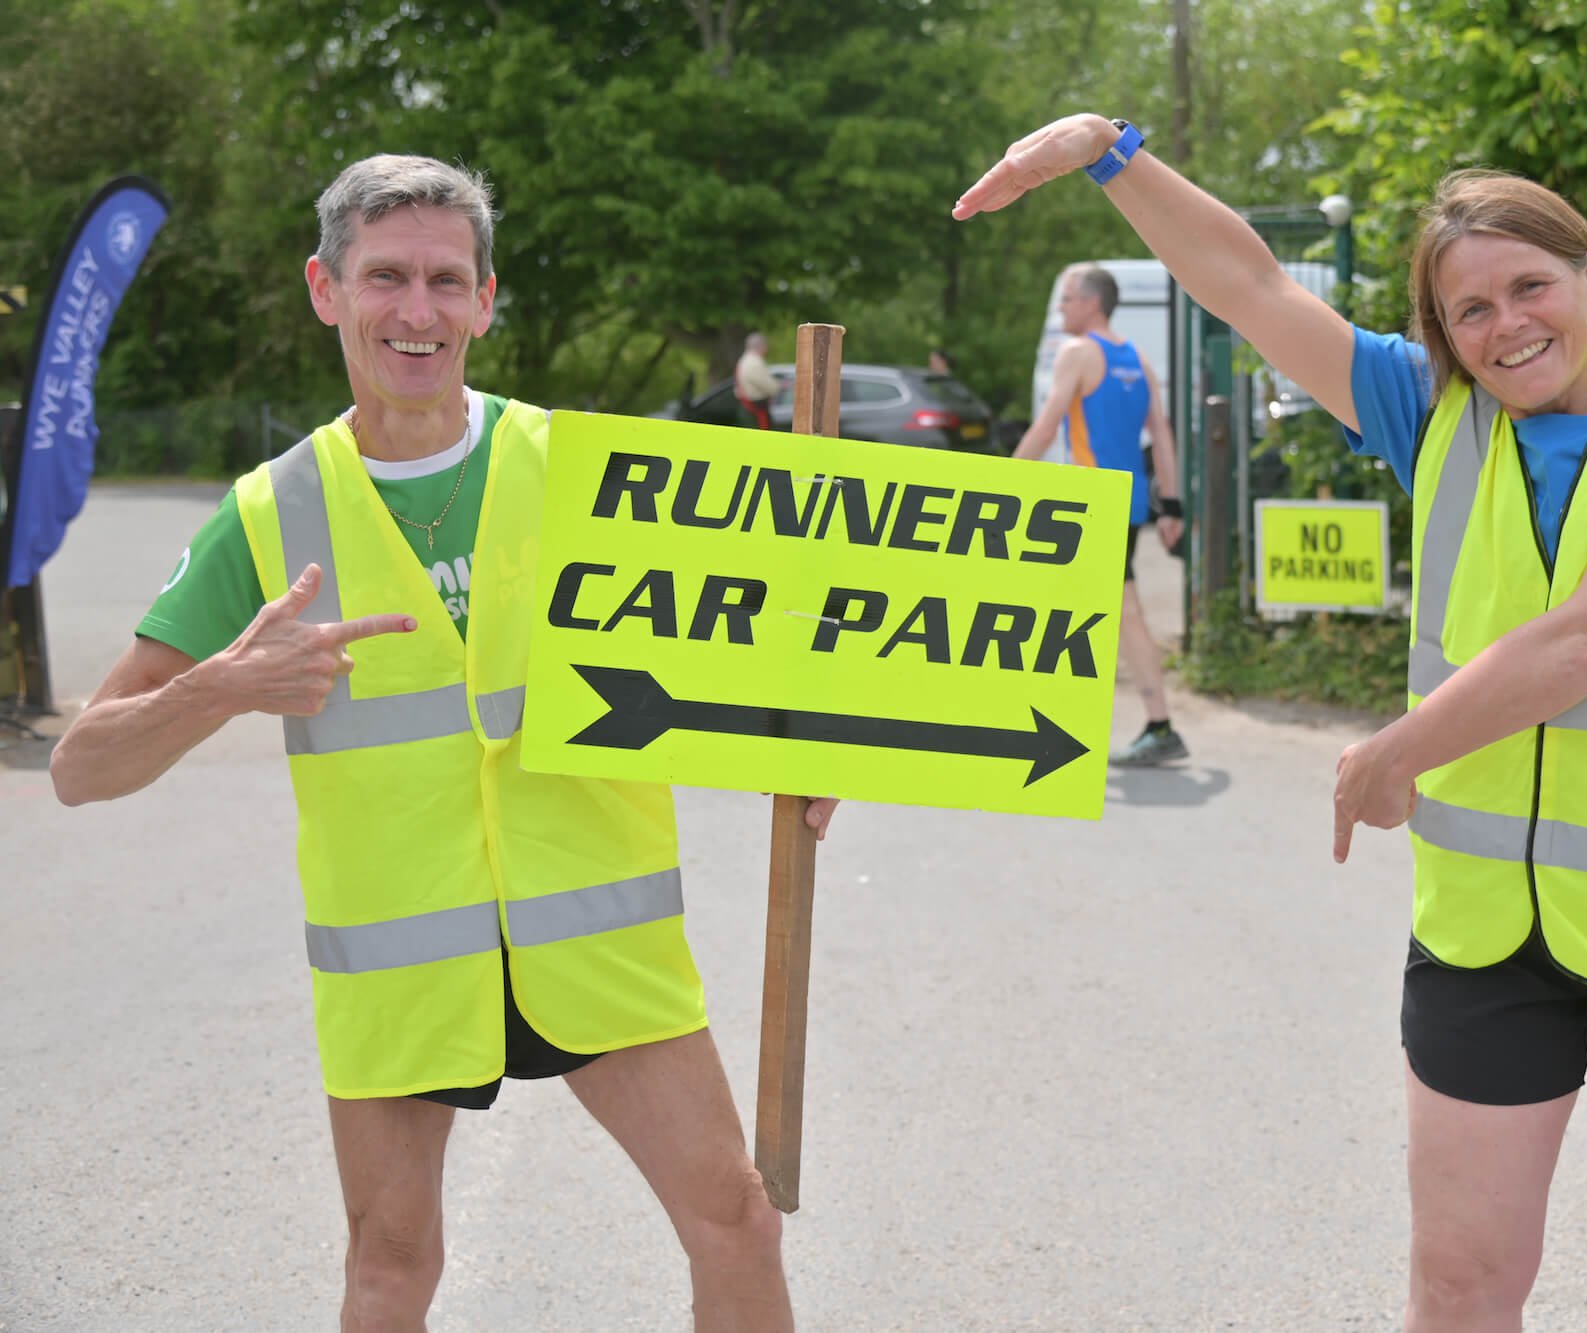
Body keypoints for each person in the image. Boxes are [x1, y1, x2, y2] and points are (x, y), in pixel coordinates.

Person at [956, 117, 1587, 1330]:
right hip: (1485, 934)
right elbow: (1250, 284)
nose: (1504, 326)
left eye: (1528, 286)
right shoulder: (1431, 414)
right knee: (1457, 1282)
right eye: (1467, 311)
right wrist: (1107, 155)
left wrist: (1392, 754)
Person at [50, 154, 838, 1331]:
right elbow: (82, 767)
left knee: (735, 1218)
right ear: (326, 289)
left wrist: (816, 743)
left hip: (597, 936)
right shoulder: (270, 513)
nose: (415, 312)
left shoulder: (584, 466)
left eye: (444, 280)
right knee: (389, 1263)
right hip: (404, 969)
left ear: (484, 297)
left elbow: (777, 647)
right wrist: (221, 684)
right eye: (384, 278)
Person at [1012, 262, 1189, 767]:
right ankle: (1140, 722)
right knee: (1094, 608)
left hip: (1089, 503)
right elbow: (1162, 435)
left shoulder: (1077, 353)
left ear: (1091, 302)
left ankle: (1154, 723)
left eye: (1067, 299)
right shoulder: (1137, 359)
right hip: (1127, 503)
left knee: (1118, 611)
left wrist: (1000, 481)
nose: (1063, 307)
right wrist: (1171, 504)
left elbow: (1046, 429)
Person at [735, 331, 781, 429]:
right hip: (755, 409)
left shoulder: (745, 360)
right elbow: (771, 387)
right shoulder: (754, 363)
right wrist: (779, 386)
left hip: (749, 407)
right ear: (762, 346)